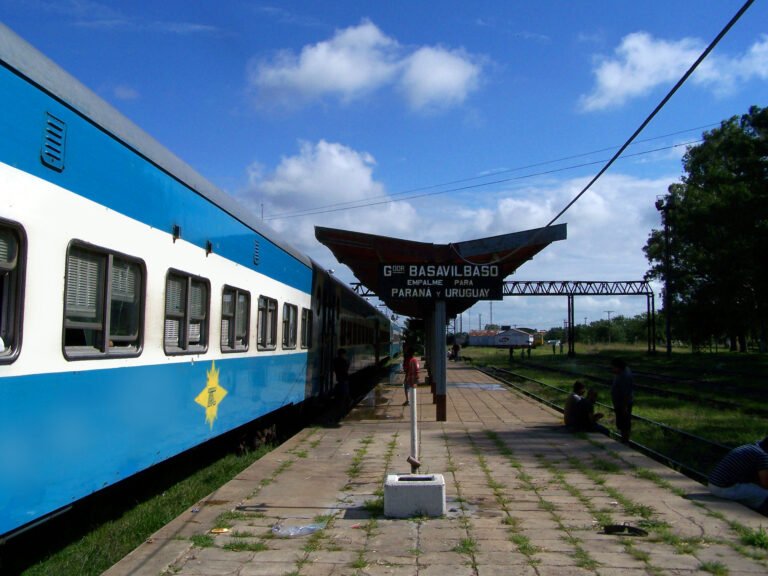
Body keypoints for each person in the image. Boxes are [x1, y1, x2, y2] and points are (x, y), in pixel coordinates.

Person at [708, 436, 768, 515]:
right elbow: (766, 483)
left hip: (714, 483)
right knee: (765, 495)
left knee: (756, 490)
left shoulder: (752, 447)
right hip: (726, 487)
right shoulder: (763, 455)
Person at [610, 358, 634, 443]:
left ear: (619, 367)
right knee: (622, 424)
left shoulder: (625, 376)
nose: (612, 369)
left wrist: (624, 407)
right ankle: (623, 440)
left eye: (613, 368)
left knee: (625, 425)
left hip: (623, 405)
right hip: (620, 404)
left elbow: (626, 394)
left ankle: (625, 441)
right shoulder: (620, 373)